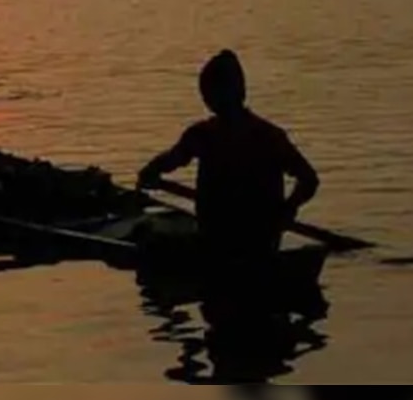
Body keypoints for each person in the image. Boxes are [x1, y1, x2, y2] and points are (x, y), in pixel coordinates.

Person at [137, 50, 320, 268]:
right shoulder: (270, 135)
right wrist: (289, 208)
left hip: (220, 240)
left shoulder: (204, 135)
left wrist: (149, 172)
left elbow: (171, 160)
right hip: (262, 240)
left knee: (150, 241)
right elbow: (309, 180)